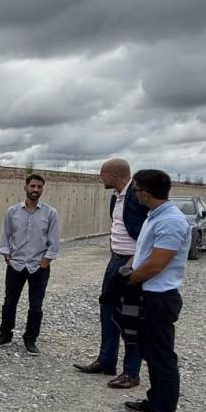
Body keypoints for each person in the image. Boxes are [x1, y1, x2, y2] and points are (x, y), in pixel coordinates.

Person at [122, 169, 190, 412]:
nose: (134, 194)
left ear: (145, 193)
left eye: (136, 190)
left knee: (162, 357)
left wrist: (126, 281)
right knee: (150, 352)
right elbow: (142, 254)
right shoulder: (155, 216)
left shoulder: (171, 221)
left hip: (158, 297)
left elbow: (156, 264)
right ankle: (154, 401)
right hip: (146, 294)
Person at [74, 159, 148, 387]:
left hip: (131, 263)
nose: (101, 178)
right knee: (108, 311)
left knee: (131, 317)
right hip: (115, 260)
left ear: (114, 176)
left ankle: (131, 373)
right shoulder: (116, 197)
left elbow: (147, 231)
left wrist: (134, 261)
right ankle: (106, 361)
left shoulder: (137, 197)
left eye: (102, 175)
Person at [0, 174, 61, 356]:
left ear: (42, 189)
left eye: (39, 187)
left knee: (36, 305)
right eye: (33, 186)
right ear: (25, 187)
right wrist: (7, 257)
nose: (36, 190)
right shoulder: (12, 211)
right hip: (16, 265)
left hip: (38, 267)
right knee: (9, 302)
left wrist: (45, 262)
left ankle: (30, 339)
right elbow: (5, 235)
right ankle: (5, 335)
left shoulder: (50, 213)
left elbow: (54, 240)